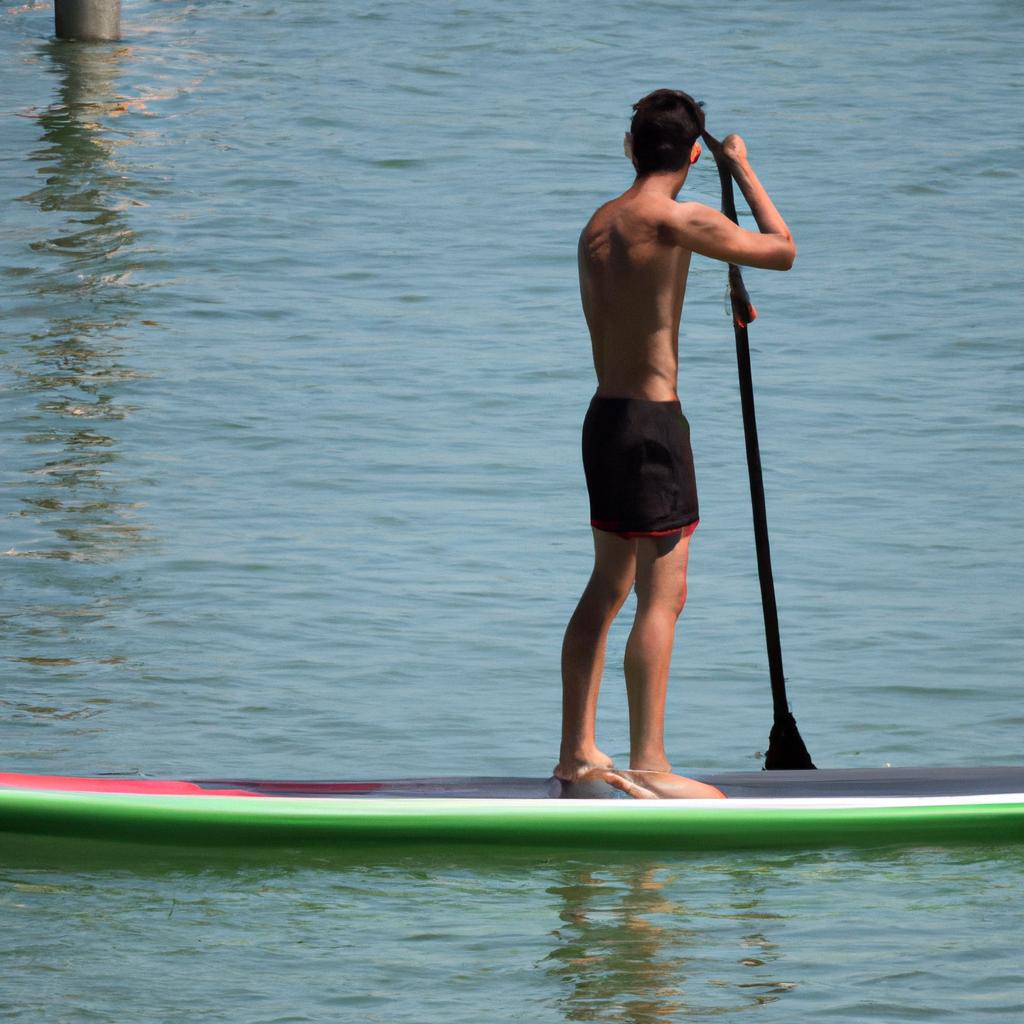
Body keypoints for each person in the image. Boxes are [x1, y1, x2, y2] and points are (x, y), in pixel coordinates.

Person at [554, 88, 795, 800]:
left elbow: (648, 285)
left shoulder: (600, 224)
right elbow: (782, 249)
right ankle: (650, 765)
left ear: (630, 147)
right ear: (694, 153)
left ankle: (576, 753)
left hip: (604, 419)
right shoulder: (677, 217)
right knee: (666, 594)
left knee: (608, 586)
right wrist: (743, 171)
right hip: (654, 428)